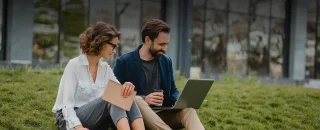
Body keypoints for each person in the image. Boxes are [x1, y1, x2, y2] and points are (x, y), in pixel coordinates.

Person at [113, 19, 205, 130]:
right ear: (147, 40)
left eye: (167, 44)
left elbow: (172, 91)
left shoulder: (166, 61)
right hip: (138, 119)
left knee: (189, 111)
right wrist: (144, 99)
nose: (165, 48)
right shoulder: (124, 62)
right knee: (137, 100)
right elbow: (114, 96)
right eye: (161, 44)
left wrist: (181, 101)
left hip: (162, 115)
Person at [52, 22, 145, 130]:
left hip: (94, 119)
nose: (114, 51)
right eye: (113, 46)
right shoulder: (74, 65)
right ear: (101, 42)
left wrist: (126, 87)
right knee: (112, 98)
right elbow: (66, 105)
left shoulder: (105, 68)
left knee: (125, 96)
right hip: (69, 119)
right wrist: (79, 127)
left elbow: (121, 96)